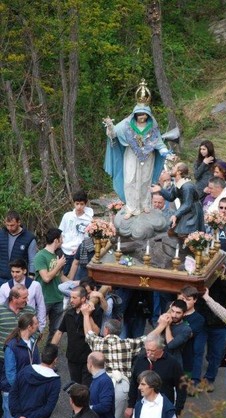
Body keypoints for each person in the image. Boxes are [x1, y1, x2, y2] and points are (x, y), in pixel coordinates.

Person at [82, 309, 145, 418]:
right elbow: (147, 338)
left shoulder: (99, 343)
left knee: (94, 417)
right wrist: (163, 324)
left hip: (103, 383)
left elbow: (88, 333)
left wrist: (85, 315)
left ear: (106, 330)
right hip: (122, 385)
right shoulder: (128, 344)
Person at [103, 81, 173, 219]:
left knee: (145, 180)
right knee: (130, 180)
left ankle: (144, 204)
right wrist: (110, 127)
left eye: (145, 114)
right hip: (131, 155)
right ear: (135, 113)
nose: (143, 117)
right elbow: (113, 135)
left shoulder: (152, 125)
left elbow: (158, 141)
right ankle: (131, 206)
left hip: (148, 156)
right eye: (140, 114)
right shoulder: (127, 124)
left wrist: (165, 152)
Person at [0, 286, 36, 418]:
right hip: (12, 387)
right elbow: (11, 374)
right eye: (24, 297)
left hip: (24, 388)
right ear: (14, 297)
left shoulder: (32, 341)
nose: (27, 300)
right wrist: (20, 389)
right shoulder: (11, 347)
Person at [124, 335, 186, 418]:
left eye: (152, 351)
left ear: (161, 349)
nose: (148, 353)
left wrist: (178, 411)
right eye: (147, 350)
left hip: (163, 409)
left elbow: (182, 388)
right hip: (142, 407)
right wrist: (130, 405)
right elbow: (134, 383)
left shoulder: (172, 363)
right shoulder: (141, 360)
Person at [52, 286, 102, 386]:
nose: (71, 300)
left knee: (86, 388)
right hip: (72, 358)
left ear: (83, 299)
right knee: (75, 386)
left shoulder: (94, 311)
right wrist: (51, 351)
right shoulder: (69, 314)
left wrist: (87, 315)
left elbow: (96, 332)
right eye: (71, 297)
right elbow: (59, 332)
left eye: (74, 298)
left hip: (88, 359)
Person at [151, 162, 205, 237]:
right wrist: (160, 189)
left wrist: (176, 215)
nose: (172, 168)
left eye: (175, 167)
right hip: (185, 211)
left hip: (192, 213)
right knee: (174, 230)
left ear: (179, 172)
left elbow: (187, 204)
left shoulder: (187, 186)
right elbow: (171, 197)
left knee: (185, 232)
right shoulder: (178, 184)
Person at [34, 228, 67, 343]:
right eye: (61, 238)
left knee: (55, 331)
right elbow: (46, 278)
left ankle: (49, 357)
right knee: (37, 329)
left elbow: (61, 276)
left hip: (58, 298)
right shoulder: (40, 256)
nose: (62, 241)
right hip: (44, 299)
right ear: (56, 240)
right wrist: (58, 265)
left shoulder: (58, 255)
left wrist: (75, 284)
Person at [0, 259, 46, 332]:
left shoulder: (35, 285)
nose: (14, 275)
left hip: (29, 326)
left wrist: (41, 328)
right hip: (10, 326)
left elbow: (41, 306)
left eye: (17, 272)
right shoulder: (4, 287)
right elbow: (1, 309)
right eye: (12, 272)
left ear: (24, 271)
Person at [177, 287, 207, 392]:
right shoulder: (172, 311)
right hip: (171, 355)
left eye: (188, 299)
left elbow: (185, 336)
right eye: (182, 298)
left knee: (182, 390)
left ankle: (194, 382)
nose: (184, 302)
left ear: (195, 300)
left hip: (186, 357)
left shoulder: (198, 319)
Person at [59, 190, 94, 275]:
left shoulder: (89, 219)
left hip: (78, 252)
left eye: (81, 204)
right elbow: (61, 232)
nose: (79, 207)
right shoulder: (67, 216)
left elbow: (87, 238)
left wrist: (79, 249)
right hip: (64, 250)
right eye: (77, 204)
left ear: (85, 204)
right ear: (74, 203)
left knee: (75, 275)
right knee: (62, 274)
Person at [0, 210, 37, 286]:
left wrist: (31, 277)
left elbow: (32, 260)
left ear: (19, 222)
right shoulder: (1, 235)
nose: (9, 227)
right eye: (7, 225)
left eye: (12, 225)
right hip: (1, 278)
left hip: (19, 280)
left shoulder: (29, 238)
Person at [156, 299, 192, 368]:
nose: (174, 315)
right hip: (158, 359)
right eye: (172, 311)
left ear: (184, 314)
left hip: (173, 363)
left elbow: (171, 345)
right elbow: (153, 336)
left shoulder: (186, 329)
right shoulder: (164, 321)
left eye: (178, 313)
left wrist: (167, 325)